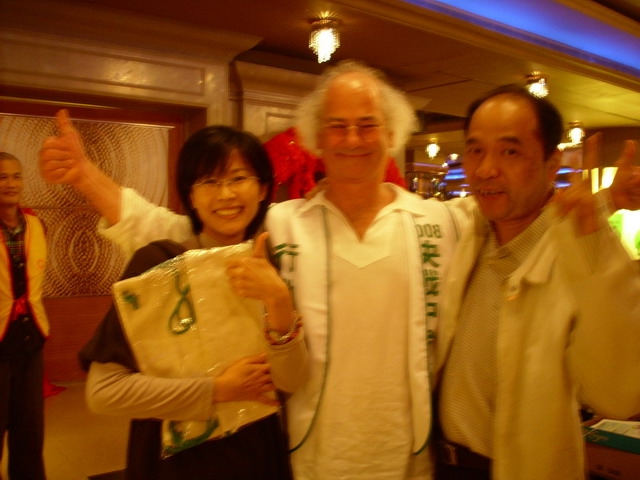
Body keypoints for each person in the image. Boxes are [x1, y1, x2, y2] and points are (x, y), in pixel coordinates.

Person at [40, 63, 640, 480]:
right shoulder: (282, 222)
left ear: (391, 134)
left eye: (367, 124)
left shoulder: (440, 221)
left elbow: (525, 210)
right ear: (315, 139)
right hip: (309, 459)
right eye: (337, 125)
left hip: (414, 460)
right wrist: (89, 181)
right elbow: (191, 236)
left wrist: (602, 203)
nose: (353, 138)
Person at [433, 85, 640, 480]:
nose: (485, 169)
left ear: (551, 162)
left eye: (510, 152)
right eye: (475, 150)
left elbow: (619, 395)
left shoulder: (579, 255)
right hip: (443, 465)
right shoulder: (469, 229)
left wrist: (594, 237)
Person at [77, 126, 307, 480]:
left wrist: (278, 300)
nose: (226, 194)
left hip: (258, 456)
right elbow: (105, 392)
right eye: (209, 181)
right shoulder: (158, 266)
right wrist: (217, 390)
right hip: (175, 463)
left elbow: (290, 381)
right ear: (191, 195)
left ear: (263, 189)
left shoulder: (270, 264)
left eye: (238, 178)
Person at [0, 152, 48, 480]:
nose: (11, 183)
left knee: (29, 431)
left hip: (31, 338)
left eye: (16, 176)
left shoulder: (35, 225)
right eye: (2, 177)